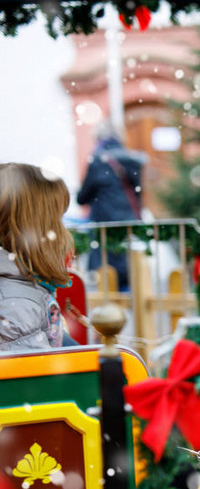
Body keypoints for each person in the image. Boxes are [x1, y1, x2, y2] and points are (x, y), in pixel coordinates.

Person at [0, 163, 75, 352]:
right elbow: (35, 379)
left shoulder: (22, 289)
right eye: (57, 220)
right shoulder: (16, 305)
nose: (64, 231)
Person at [76, 121, 146, 291]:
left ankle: (110, 311)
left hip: (104, 227)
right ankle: (132, 309)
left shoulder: (98, 161)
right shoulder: (131, 160)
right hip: (128, 225)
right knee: (130, 274)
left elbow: (82, 198)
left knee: (106, 278)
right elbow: (138, 193)